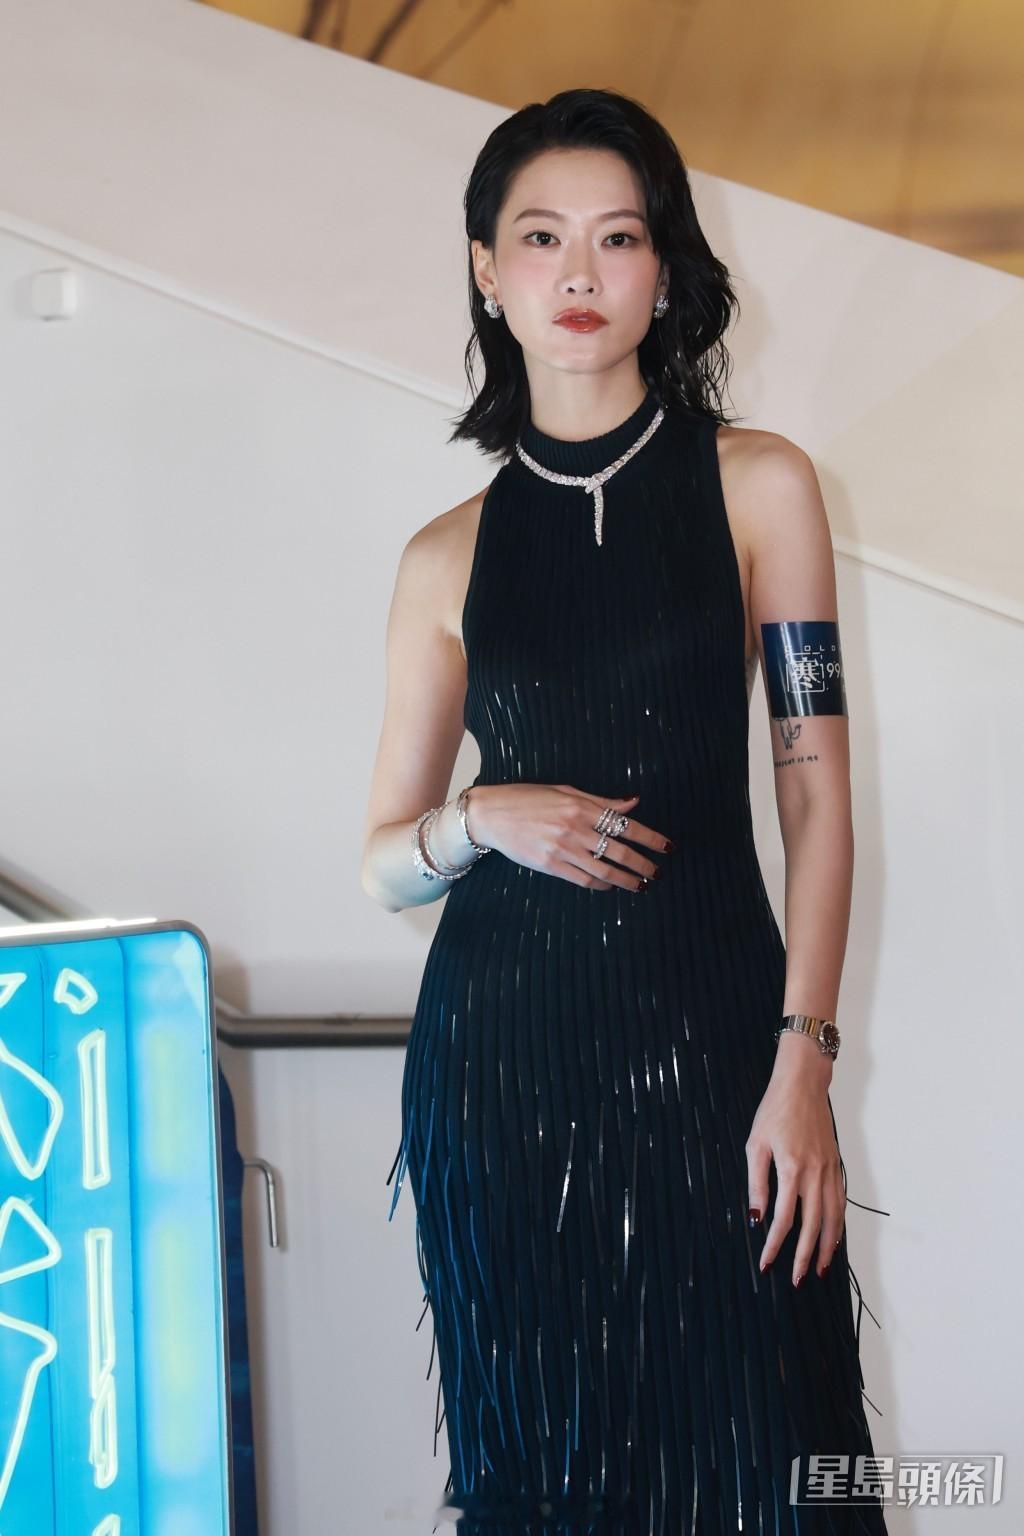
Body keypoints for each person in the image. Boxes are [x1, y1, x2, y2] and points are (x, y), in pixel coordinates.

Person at [363, 86, 889, 1536]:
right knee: (550, 1481)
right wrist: (485, 817)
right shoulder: (443, 556)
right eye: (541, 238)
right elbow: (381, 861)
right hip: (505, 1076)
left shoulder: (762, 487)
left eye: (619, 236)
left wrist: (803, 1063)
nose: (580, 273)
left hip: (722, 1050)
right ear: (487, 269)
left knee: (784, 1463)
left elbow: (815, 791)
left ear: (665, 266)